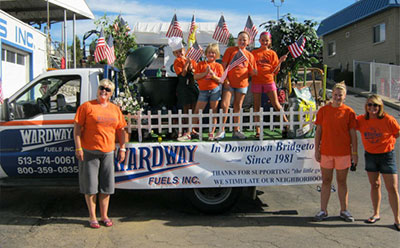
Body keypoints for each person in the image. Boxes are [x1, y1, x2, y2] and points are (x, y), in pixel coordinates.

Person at [74, 79, 127, 228]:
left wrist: (122, 148)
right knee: (90, 187)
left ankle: (104, 216)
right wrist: (78, 148)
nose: (104, 91)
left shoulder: (115, 109)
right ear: (97, 89)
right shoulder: (86, 107)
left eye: (107, 90)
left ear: (111, 93)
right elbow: (77, 129)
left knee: (107, 187)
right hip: (89, 151)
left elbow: (121, 130)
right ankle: (92, 217)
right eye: (101, 88)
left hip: (108, 152)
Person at [313, 82, 358, 222]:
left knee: (342, 182)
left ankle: (344, 210)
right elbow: (318, 131)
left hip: (343, 153)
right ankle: (323, 210)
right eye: (335, 95)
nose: (337, 97)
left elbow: (353, 134)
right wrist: (317, 149)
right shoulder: (323, 111)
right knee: (326, 181)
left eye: (340, 95)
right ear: (331, 95)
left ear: (344, 97)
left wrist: (354, 153)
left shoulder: (349, 112)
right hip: (326, 152)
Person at [356, 94, 400, 231]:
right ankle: (376, 213)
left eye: (375, 105)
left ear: (380, 106)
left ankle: (397, 219)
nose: (372, 108)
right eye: (369, 105)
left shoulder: (388, 119)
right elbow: (347, 122)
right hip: (370, 156)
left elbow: (397, 132)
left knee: (392, 188)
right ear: (366, 106)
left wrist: (389, 143)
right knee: (375, 185)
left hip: (387, 156)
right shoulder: (362, 120)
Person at [216, 31, 257, 140]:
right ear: (236, 40)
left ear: (248, 42)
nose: (242, 41)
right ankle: (222, 130)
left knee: (237, 107)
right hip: (229, 83)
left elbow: (251, 72)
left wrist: (254, 72)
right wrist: (226, 79)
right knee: (225, 105)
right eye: (240, 39)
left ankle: (236, 130)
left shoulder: (250, 55)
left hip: (242, 84)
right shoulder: (230, 50)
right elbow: (223, 66)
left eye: (244, 39)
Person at [251, 31, 288, 138]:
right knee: (257, 106)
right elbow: (251, 67)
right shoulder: (254, 53)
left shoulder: (272, 53)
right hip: (256, 81)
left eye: (266, 40)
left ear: (269, 41)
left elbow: (275, 70)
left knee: (276, 104)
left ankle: (286, 125)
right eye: (262, 40)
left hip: (269, 81)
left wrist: (280, 61)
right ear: (259, 41)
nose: (264, 42)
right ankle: (258, 130)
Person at [192, 43, 224, 141]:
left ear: (217, 55)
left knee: (213, 112)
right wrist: (205, 73)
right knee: (197, 111)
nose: (211, 54)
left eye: (213, 53)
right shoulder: (201, 64)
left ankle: (212, 132)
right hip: (203, 91)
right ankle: (192, 130)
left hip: (215, 90)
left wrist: (213, 76)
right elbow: (195, 77)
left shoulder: (218, 66)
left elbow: (221, 80)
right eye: (209, 52)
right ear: (206, 54)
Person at [168, 37, 199, 141]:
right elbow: (183, 74)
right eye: (176, 52)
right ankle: (187, 129)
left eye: (180, 51)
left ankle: (193, 129)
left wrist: (191, 65)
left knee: (194, 108)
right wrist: (187, 64)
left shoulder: (191, 59)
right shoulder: (177, 61)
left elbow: (194, 71)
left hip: (192, 86)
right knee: (186, 109)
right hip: (183, 87)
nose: (179, 54)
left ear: (184, 50)